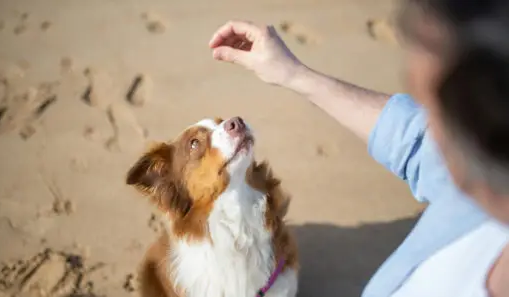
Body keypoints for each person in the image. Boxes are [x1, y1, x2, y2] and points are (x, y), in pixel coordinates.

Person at [208, 0, 509, 296]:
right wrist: (294, 74)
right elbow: (413, 139)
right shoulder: (479, 186)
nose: (429, 132)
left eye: (434, 110)